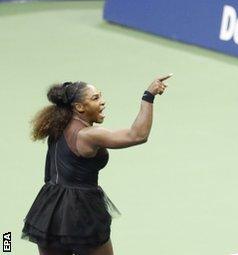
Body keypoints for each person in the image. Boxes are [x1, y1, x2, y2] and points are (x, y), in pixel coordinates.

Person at [22, 76, 171, 255]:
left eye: (100, 96)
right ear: (79, 107)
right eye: (95, 98)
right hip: (81, 212)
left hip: (49, 210)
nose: (102, 102)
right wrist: (149, 96)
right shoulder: (88, 135)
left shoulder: (58, 124)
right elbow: (137, 135)